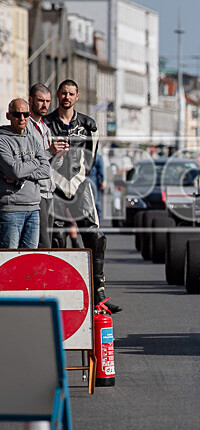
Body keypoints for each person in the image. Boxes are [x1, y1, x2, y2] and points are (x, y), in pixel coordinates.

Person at [45, 79, 121, 313]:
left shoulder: (88, 124)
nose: (67, 97)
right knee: (56, 237)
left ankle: (99, 291)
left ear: (77, 96)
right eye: (63, 93)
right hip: (53, 184)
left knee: (95, 236)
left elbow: (92, 157)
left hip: (79, 184)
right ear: (58, 95)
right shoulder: (46, 123)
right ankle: (57, 291)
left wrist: (79, 179)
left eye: (71, 94)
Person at [0, 99, 51, 248]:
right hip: (11, 209)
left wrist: (23, 172)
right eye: (17, 114)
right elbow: (15, 171)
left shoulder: (33, 139)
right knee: (9, 260)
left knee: (30, 261)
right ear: (8, 115)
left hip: (34, 207)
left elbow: (47, 170)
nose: (22, 118)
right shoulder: (3, 140)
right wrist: (35, 162)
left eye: (25, 114)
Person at [27, 83, 67, 248]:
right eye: (40, 100)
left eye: (48, 101)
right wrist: (50, 151)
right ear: (30, 100)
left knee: (50, 241)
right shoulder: (27, 127)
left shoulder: (45, 128)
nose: (45, 105)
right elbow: (30, 162)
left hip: (50, 191)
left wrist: (59, 154)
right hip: (36, 193)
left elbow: (52, 166)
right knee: (43, 243)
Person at [88, 152, 105, 220]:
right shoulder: (97, 156)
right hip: (94, 182)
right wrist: (102, 182)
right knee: (96, 202)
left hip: (83, 181)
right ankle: (97, 221)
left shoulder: (83, 154)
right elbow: (101, 172)